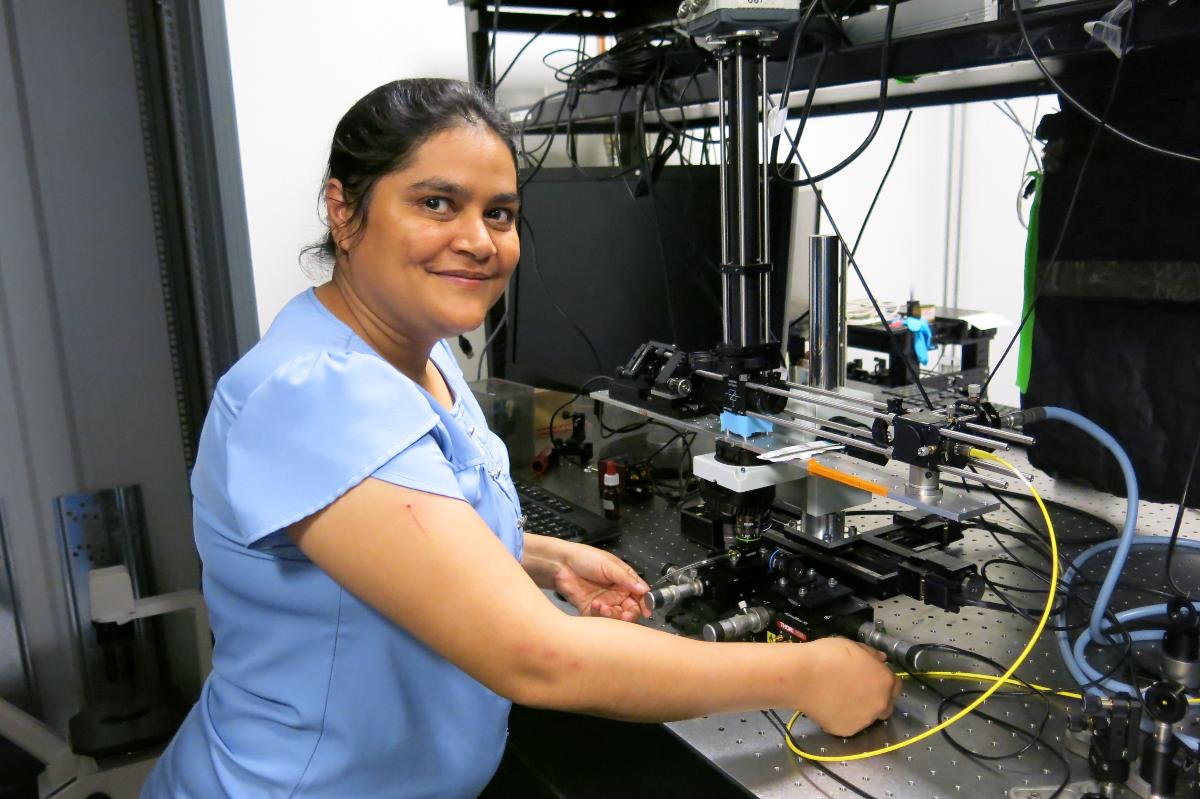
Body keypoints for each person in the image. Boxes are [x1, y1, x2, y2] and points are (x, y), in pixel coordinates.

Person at [142, 78, 900, 798]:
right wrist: (809, 673)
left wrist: (541, 556)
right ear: (344, 210)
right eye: (437, 203)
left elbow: (399, 531)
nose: (478, 240)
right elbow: (537, 658)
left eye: (499, 213)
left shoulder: (417, 348)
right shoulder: (314, 395)